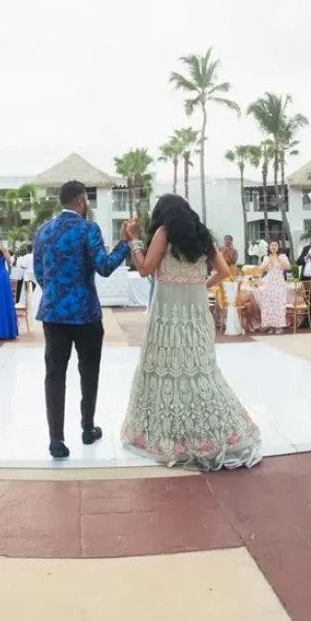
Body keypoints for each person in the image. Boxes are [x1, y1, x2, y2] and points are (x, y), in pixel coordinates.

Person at [121, 194, 262, 470]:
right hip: (196, 316)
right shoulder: (202, 236)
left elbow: (145, 268)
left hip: (169, 317)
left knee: (168, 371)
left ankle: (172, 437)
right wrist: (199, 284)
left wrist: (134, 240)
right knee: (201, 371)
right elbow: (223, 272)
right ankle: (225, 430)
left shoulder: (163, 233)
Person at [34, 181, 130, 459]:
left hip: (53, 314)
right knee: (88, 371)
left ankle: (56, 439)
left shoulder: (42, 231)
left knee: (54, 375)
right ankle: (87, 428)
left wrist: (56, 294)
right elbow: (104, 267)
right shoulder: (89, 229)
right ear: (80, 200)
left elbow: (40, 272)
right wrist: (124, 243)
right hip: (85, 313)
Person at [260, 240, 291, 334]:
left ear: (278, 247)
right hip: (269, 283)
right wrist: (269, 260)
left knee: (279, 304)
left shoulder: (282, 256)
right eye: (272, 245)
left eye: (275, 245)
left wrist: (278, 259)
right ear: (269, 247)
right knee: (269, 304)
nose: (273, 247)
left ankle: (279, 326)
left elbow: (288, 267)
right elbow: (262, 269)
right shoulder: (266, 257)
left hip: (279, 282)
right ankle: (270, 326)